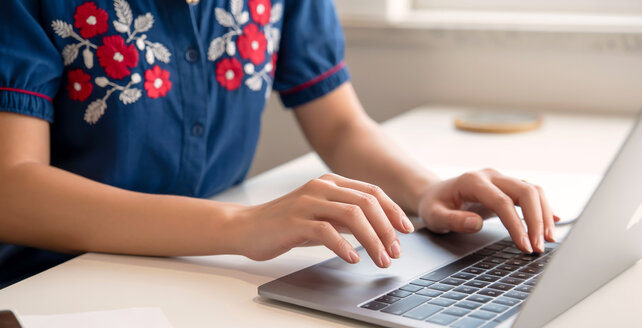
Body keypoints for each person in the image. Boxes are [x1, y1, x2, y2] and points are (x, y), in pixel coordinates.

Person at [0, 0, 556, 289]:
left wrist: (427, 189)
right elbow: (12, 189)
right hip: (47, 285)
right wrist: (240, 226)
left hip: (192, 272)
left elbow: (339, 125)